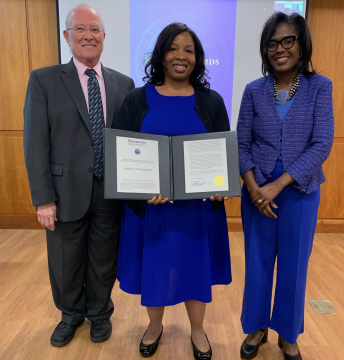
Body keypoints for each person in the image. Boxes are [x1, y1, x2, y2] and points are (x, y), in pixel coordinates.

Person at [112, 22, 232, 359]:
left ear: (197, 58)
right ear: (161, 54)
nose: (181, 56)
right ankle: (154, 326)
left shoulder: (211, 101)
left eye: (189, 50)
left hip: (196, 212)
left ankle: (198, 330)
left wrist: (220, 186)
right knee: (155, 268)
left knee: (195, 268)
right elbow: (121, 153)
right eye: (174, 48)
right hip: (152, 209)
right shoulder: (137, 99)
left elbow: (222, 154)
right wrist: (139, 191)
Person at [23, 4, 134, 347]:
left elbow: (131, 142)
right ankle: (70, 315)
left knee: (104, 259)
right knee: (65, 260)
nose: (89, 36)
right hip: (63, 190)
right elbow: (35, 142)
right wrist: (43, 199)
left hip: (110, 192)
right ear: (67, 36)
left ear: (104, 36)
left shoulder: (123, 83)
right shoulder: (44, 80)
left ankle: (100, 313)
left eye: (95, 29)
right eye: (81, 29)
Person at [237, 12, 334, 360]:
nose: (279, 49)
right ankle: (256, 326)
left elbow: (322, 143)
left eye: (287, 41)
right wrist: (253, 188)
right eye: (272, 43)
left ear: (302, 44)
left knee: (294, 265)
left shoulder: (320, 87)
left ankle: (288, 334)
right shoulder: (253, 91)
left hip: (300, 191)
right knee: (258, 263)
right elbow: (241, 145)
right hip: (255, 193)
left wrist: (276, 186)